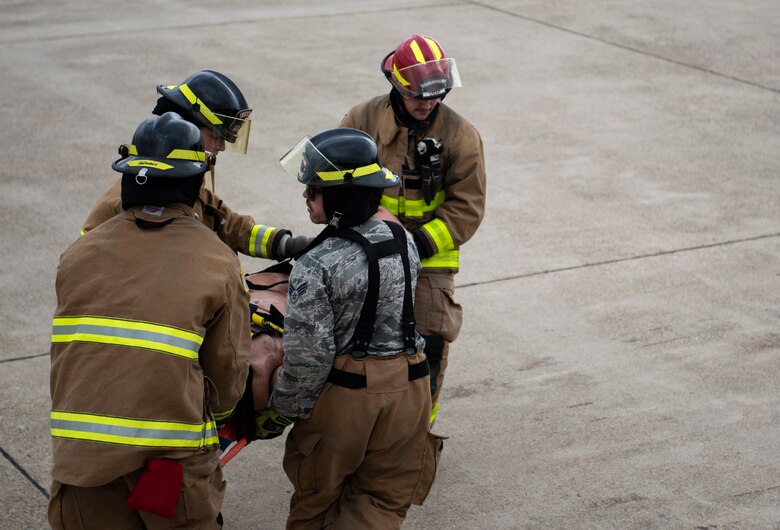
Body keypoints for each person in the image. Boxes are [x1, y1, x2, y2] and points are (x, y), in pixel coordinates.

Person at [49, 112, 251, 529]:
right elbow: (228, 375)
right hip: (166, 467)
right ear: (194, 182)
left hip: (82, 465)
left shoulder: (77, 255)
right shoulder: (217, 261)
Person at [268, 128, 444, 529]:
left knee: (316, 501)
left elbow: (308, 360)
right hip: (412, 389)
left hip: (350, 399)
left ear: (338, 197)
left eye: (312, 189)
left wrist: (283, 410)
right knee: (380, 503)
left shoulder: (316, 266)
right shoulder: (402, 239)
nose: (305, 196)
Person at [339, 34, 487, 424]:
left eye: (436, 94)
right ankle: (361, 424)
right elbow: (334, 179)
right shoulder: (362, 120)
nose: (427, 103)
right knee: (355, 339)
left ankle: (418, 433)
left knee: (430, 340)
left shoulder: (461, 135)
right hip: (366, 249)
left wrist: (418, 243)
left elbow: (467, 208)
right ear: (396, 85)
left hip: (429, 260)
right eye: (418, 95)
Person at [82, 69, 309, 260]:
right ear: (186, 127)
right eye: (216, 136)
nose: (220, 147)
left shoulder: (181, 183)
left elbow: (230, 225)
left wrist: (289, 245)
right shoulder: (136, 193)